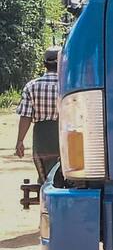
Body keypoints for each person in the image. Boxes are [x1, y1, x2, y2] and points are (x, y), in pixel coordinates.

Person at [15, 47, 61, 181]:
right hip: (65, 136)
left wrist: (20, 141)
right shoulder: (69, 85)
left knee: (44, 175)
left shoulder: (32, 86)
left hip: (41, 138)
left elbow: (26, 116)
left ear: (44, 64)